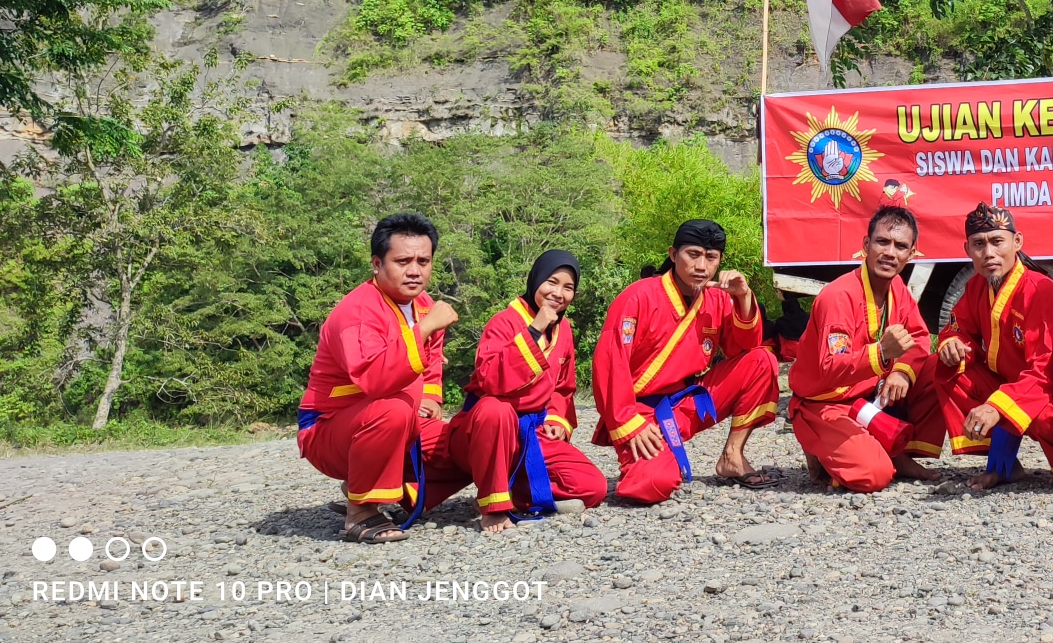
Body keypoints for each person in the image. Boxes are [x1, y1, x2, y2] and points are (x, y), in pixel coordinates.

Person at [592, 220, 780, 505]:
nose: (702, 266)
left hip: (686, 404)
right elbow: (610, 362)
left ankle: (733, 455)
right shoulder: (638, 296)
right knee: (652, 484)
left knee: (762, 360)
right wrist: (628, 423)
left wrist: (743, 297)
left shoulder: (717, 299)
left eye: (711, 257)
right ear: (672, 254)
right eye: (693, 254)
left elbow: (744, 349)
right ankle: (646, 459)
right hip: (640, 413)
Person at [298, 212, 459, 544]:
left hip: (399, 417)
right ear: (376, 263)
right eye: (402, 261)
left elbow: (430, 365)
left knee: (464, 444)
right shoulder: (357, 312)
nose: (415, 270)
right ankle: (360, 511)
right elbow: (374, 380)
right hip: (331, 429)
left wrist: (430, 396)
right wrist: (425, 328)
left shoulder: (424, 304)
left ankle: (392, 491)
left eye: (423, 261)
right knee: (393, 409)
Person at [422, 250, 608, 531]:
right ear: (535, 281)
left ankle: (507, 490)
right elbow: (491, 380)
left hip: (530, 432)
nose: (558, 293)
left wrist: (557, 420)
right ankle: (493, 507)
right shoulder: (503, 322)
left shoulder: (564, 328)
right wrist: (534, 330)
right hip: (484, 428)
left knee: (592, 486)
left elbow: (563, 387)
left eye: (568, 287)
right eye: (551, 282)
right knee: (495, 410)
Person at [924, 203, 1053, 490]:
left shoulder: (1041, 291)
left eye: (997, 241)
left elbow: (1047, 372)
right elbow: (957, 329)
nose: (988, 254)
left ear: (1017, 242)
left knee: (1044, 417)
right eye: (978, 244)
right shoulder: (976, 287)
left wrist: (997, 406)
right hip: (1010, 385)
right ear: (967, 249)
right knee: (945, 366)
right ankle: (1004, 465)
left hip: (1052, 394)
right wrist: (952, 343)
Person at [787, 206, 942, 492]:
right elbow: (830, 368)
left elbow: (919, 337)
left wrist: (903, 373)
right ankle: (824, 447)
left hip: (869, 396)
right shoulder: (838, 296)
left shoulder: (898, 289)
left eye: (900, 246)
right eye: (883, 242)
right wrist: (882, 354)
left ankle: (899, 452)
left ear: (911, 255)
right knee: (875, 475)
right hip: (826, 401)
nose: (890, 253)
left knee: (939, 366)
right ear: (866, 245)